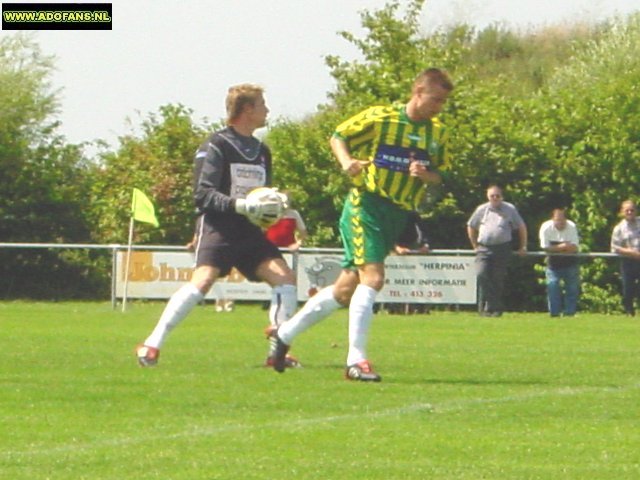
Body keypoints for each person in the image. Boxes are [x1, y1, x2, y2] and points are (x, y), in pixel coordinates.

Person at [268, 68, 454, 382]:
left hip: (398, 214)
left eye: (443, 102)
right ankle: (356, 361)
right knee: (374, 277)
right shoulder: (381, 118)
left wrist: (427, 176)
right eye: (435, 99)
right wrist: (346, 162)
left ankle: (284, 334)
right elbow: (338, 136)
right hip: (365, 205)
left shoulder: (438, 133)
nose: (439, 107)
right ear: (417, 91)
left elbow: (441, 174)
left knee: (344, 290)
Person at [135, 83, 300, 368]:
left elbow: (263, 195)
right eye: (262, 104)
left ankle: (278, 353)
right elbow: (203, 194)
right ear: (247, 109)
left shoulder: (262, 151)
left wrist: (276, 204)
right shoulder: (216, 145)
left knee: (285, 279)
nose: (267, 110)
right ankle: (152, 344)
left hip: (249, 231)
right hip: (219, 228)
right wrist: (240, 205)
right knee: (203, 281)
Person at [467, 184, 527, 317]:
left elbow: (521, 227)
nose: (495, 198)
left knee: (497, 279)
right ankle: (494, 306)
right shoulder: (481, 209)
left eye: (497, 196)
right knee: (481, 274)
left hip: (502, 247)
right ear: (487, 197)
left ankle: (491, 310)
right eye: (492, 196)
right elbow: (471, 226)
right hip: (484, 248)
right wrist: (474, 245)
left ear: (502, 196)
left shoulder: (510, 209)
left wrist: (523, 246)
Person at [538, 208, 580, 317]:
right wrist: (563, 247)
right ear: (553, 219)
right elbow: (545, 247)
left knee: (572, 289)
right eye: (557, 220)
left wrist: (555, 248)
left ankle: (569, 313)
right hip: (553, 265)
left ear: (566, 219)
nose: (560, 222)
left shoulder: (572, 227)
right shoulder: (546, 227)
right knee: (552, 286)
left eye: (562, 220)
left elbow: (574, 248)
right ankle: (554, 313)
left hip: (570, 264)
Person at [610, 199, 640, 316]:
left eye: (632, 210)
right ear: (622, 212)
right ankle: (629, 311)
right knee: (628, 287)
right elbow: (615, 247)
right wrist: (632, 252)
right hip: (628, 261)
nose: (629, 212)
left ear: (636, 211)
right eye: (627, 210)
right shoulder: (619, 228)